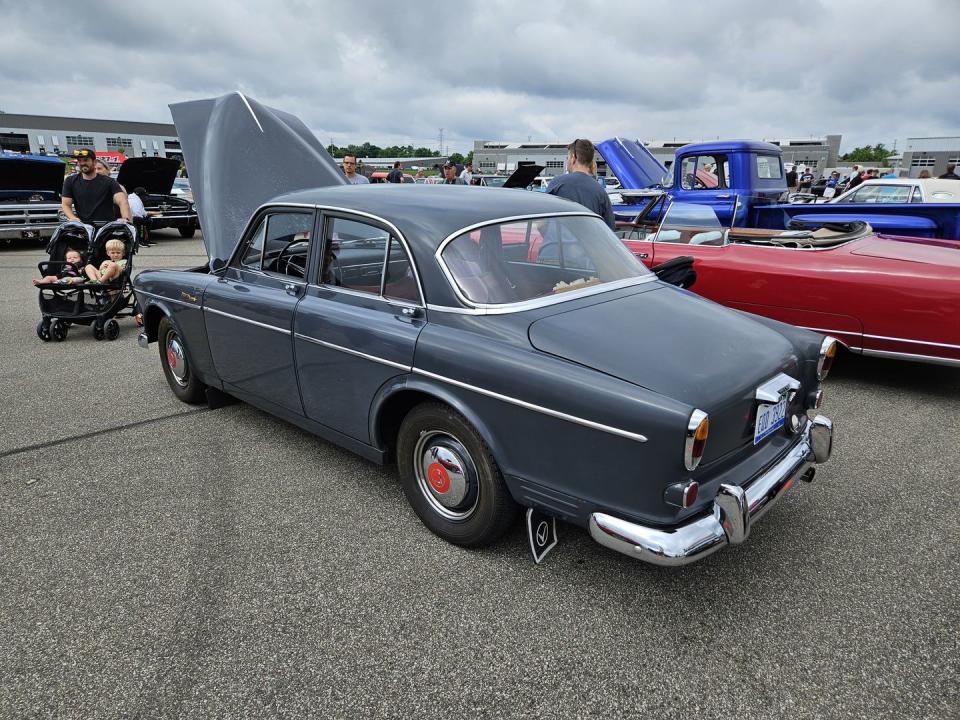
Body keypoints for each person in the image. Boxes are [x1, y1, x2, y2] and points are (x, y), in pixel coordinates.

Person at [545, 139, 615, 229]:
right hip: (588, 242)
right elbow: (609, 229)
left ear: (573, 158)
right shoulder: (601, 192)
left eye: (568, 158)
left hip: (558, 242)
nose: (567, 162)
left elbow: (541, 224)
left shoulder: (556, 183)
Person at [62, 149, 131, 227]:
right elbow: (66, 204)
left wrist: (125, 219)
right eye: (79, 160)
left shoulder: (109, 182)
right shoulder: (70, 181)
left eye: (85, 160)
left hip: (106, 228)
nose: (82, 163)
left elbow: (122, 201)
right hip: (83, 228)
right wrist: (73, 218)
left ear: (94, 162)